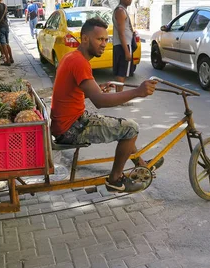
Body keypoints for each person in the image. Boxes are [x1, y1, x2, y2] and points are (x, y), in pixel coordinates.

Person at [50, 18, 163, 193]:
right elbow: (100, 102)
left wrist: (97, 88)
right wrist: (137, 92)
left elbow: (75, 89)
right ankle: (115, 180)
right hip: (71, 128)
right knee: (130, 129)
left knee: (122, 125)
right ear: (85, 39)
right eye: (99, 39)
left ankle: (141, 165)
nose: (104, 44)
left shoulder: (72, 57)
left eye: (106, 39)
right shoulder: (79, 62)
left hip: (68, 123)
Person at [112, 0, 138, 92]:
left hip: (123, 44)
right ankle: (119, 97)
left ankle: (118, 96)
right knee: (122, 73)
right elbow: (121, 33)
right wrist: (127, 51)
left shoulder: (122, 10)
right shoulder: (120, 11)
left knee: (121, 72)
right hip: (124, 45)